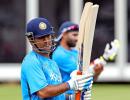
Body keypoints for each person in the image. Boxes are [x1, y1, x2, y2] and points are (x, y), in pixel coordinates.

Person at [21, 18, 93, 100]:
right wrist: (71, 84)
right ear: (31, 39)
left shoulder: (52, 63)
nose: (47, 41)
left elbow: (57, 94)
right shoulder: (31, 61)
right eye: (41, 37)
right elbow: (43, 92)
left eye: (48, 36)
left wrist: (72, 97)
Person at [52, 21, 119, 99]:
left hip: (79, 95)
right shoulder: (59, 54)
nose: (77, 38)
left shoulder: (75, 52)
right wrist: (104, 58)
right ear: (63, 35)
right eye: (74, 35)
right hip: (66, 96)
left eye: (78, 35)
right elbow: (82, 73)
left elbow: (88, 78)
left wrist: (97, 71)